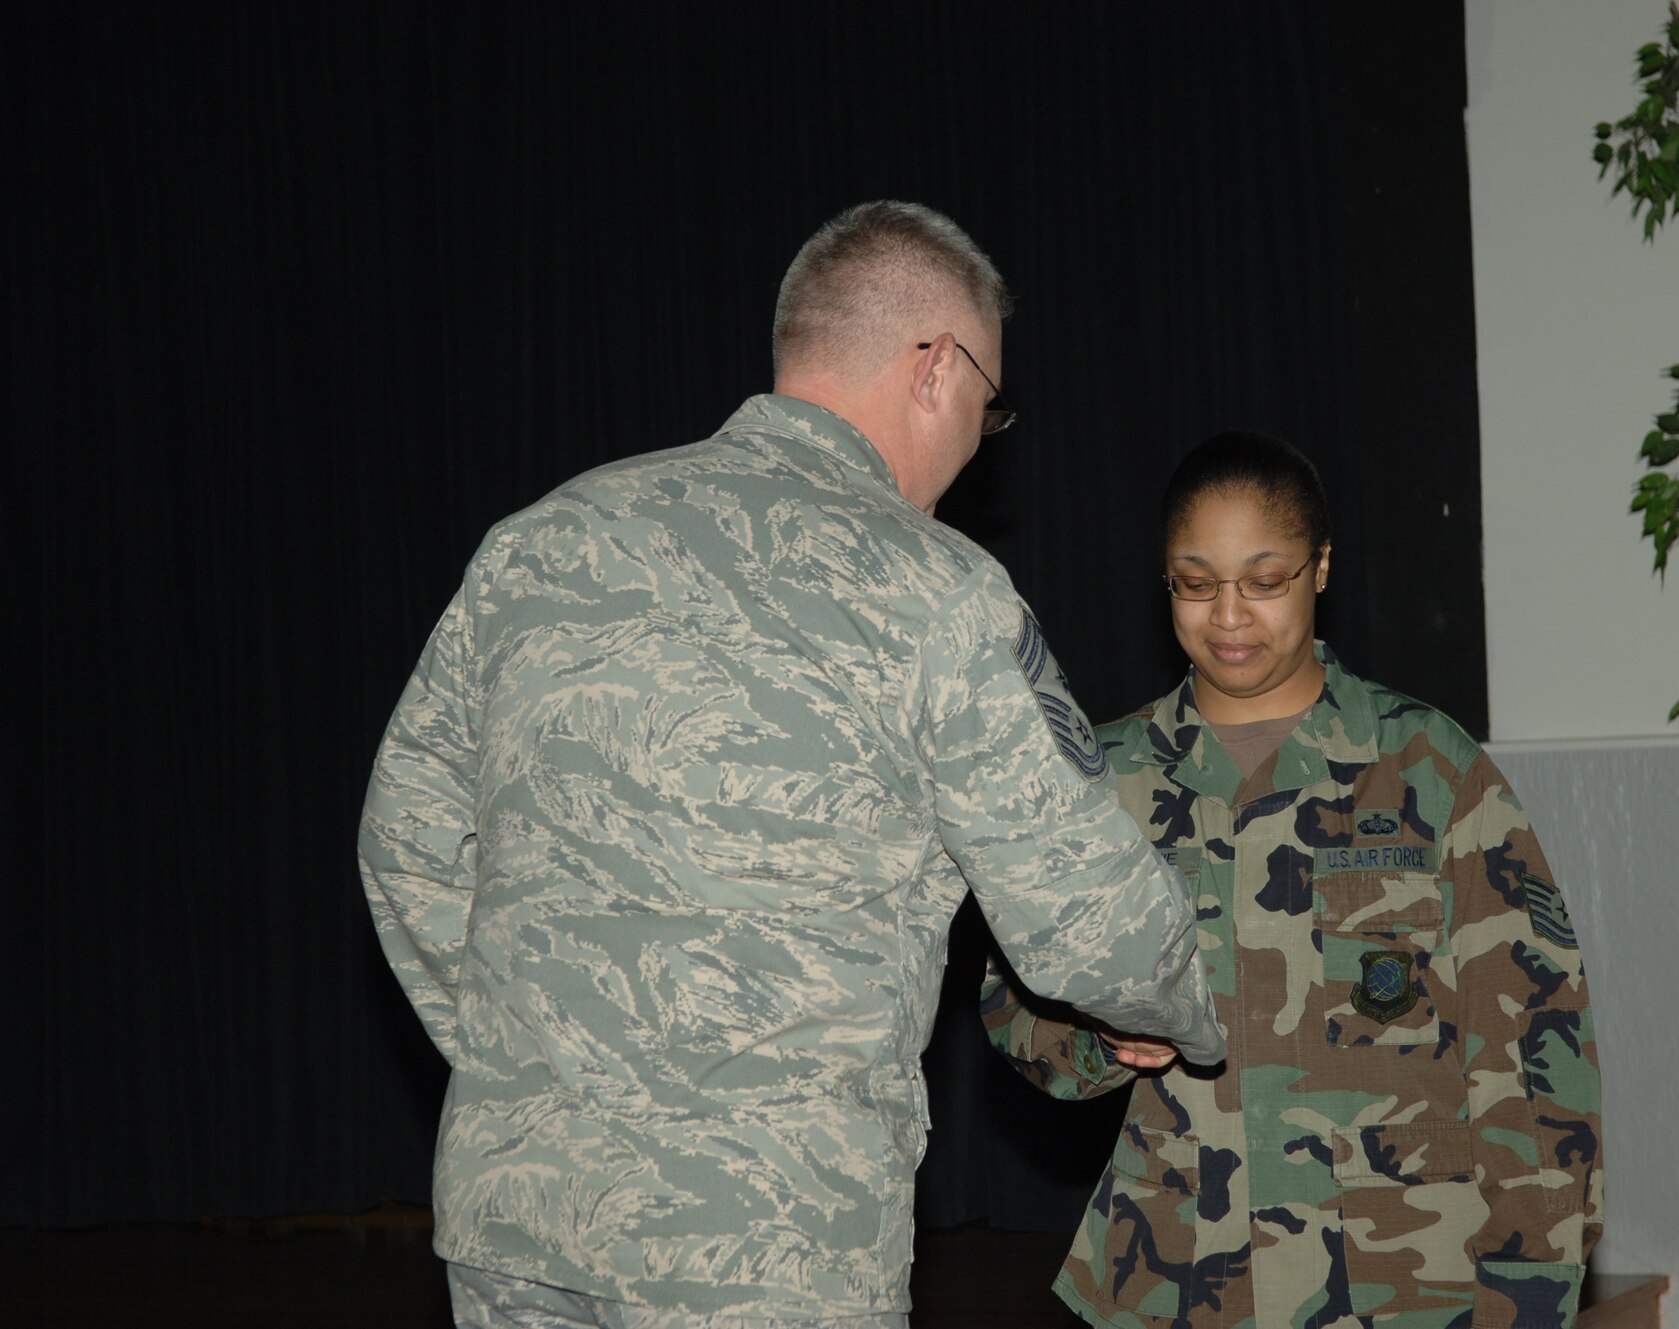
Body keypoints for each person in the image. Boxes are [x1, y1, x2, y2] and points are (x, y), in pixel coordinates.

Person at [358, 200, 1226, 1329]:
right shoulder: (936, 591)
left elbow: (406, 838)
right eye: (987, 402)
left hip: (521, 1212)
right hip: (768, 1235)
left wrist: (529, 1063)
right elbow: (1086, 915)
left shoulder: (543, 541)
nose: (977, 438)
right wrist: (1185, 1014)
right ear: (935, 367)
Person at [982, 431, 1603, 1328]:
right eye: (1195, 584)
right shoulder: (1100, 782)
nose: (1228, 615)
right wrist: (1098, 1039)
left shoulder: (1428, 766)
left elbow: (1535, 1041)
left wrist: (1532, 1285)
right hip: (1178, 1278)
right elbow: (1011, 1003)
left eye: (1263, 581)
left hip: (1405, 1281)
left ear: (1319, 568)